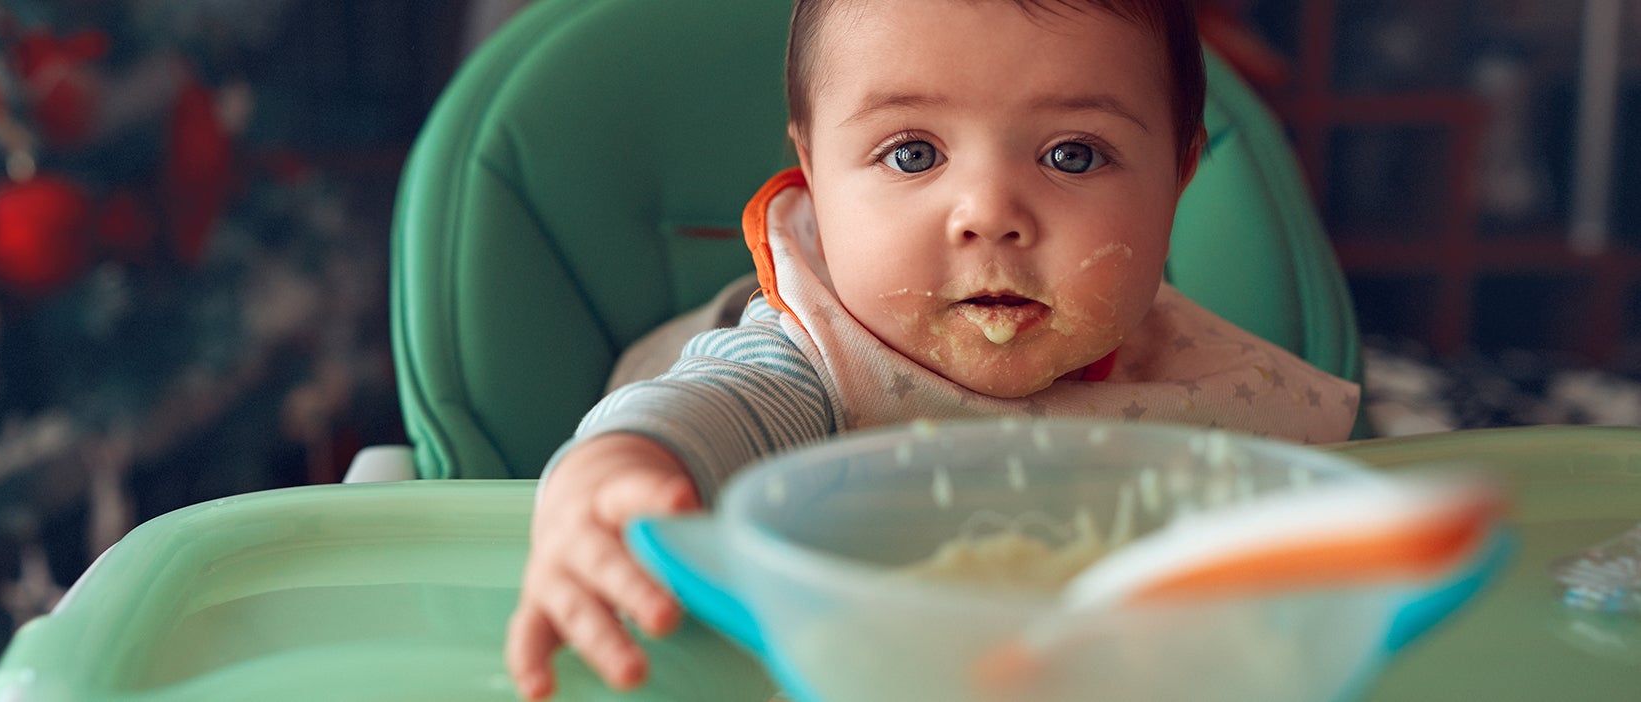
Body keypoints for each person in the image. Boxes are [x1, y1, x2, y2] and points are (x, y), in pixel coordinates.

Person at [504, 0, 1361, 698]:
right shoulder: (814, 359)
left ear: (1177, 180)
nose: (988, 212)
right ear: (814, 174)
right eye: (912, 153)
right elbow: (725, 405)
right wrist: (622, 461)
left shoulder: (1214, 385)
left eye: (1072, 154)